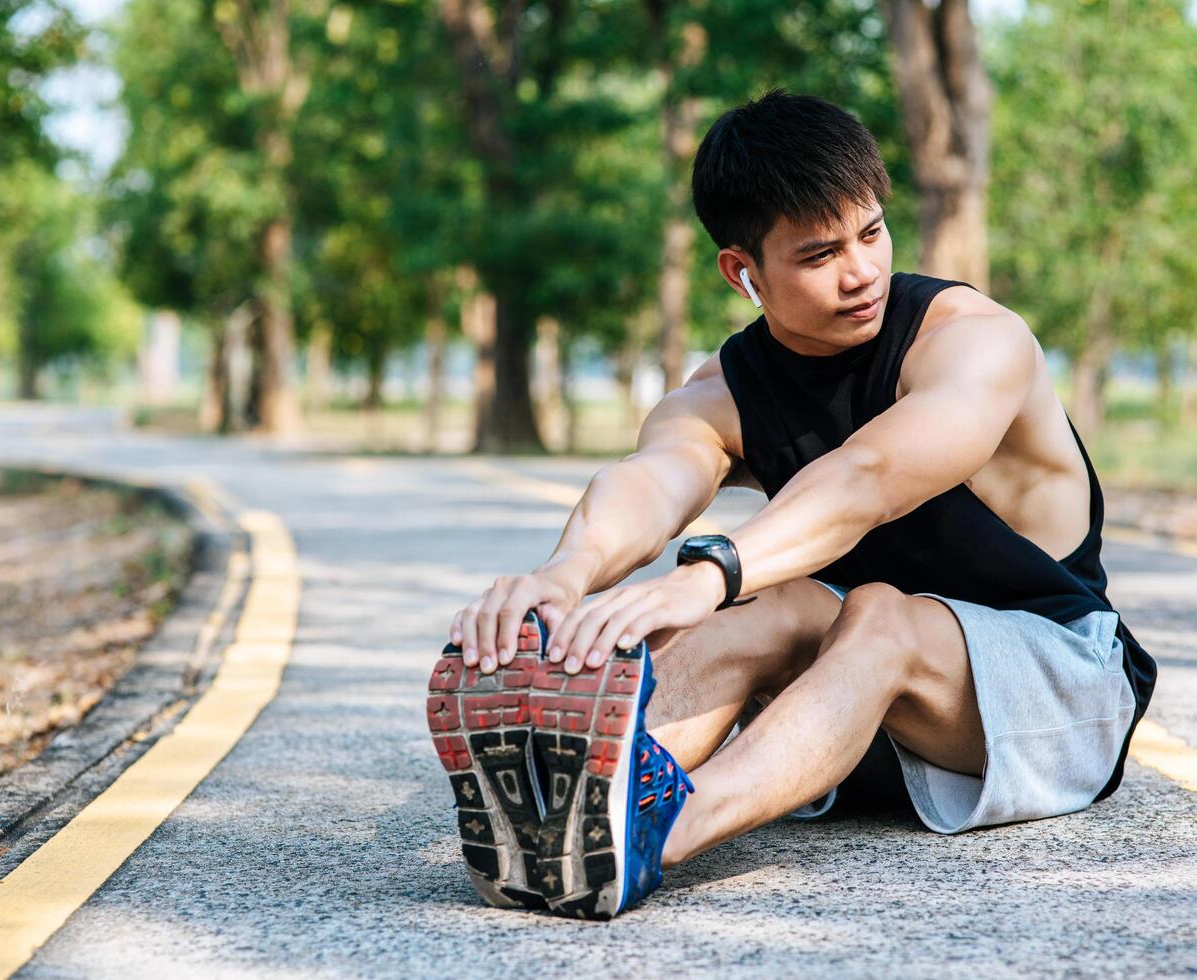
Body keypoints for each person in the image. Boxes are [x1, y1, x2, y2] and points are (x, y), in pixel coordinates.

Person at [426, 88, 1157, 921]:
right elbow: (653, 477)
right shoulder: (721, 389)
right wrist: (567, 573)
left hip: (1056, 693)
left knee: (871, 609)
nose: (861, 272)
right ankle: (579, 809)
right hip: (848, 722)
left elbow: (868, 476)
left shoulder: (974, 340)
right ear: (743, 271)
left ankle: (645, 836)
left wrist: (712, 569)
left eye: (872, 233)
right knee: (776, 606)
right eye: (818, 255)